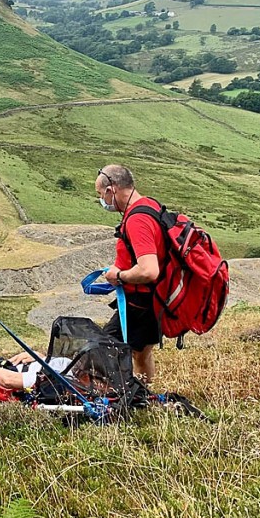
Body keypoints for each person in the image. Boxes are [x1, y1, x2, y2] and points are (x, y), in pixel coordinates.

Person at [95, 165, 166, 385]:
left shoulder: (137, 220)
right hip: (154, 299)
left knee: (103, 350)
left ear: (112, 190)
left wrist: (120, 275)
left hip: (140, 303)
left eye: (100, 194)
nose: (102, 201)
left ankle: (117, 398)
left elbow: (148, 270)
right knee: (141, 353)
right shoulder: (150, 205)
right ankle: (144, 393)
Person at [0, 351, 71, 391]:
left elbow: (8, 380)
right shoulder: (72, 365)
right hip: (3, 367)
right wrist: (40, 357)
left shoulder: (63, 380)